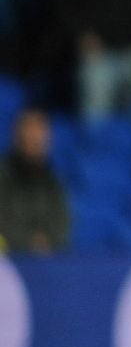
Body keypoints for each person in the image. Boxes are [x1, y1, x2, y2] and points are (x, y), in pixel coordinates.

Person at [0, 108, 69, 253]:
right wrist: (28, 241)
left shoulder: (52, 179)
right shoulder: (3, 175)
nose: (34, 145)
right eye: (29, 140)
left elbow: (62, 221)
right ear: (17, 138)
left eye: (39, 141)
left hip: (45, 259)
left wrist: (49, 239)